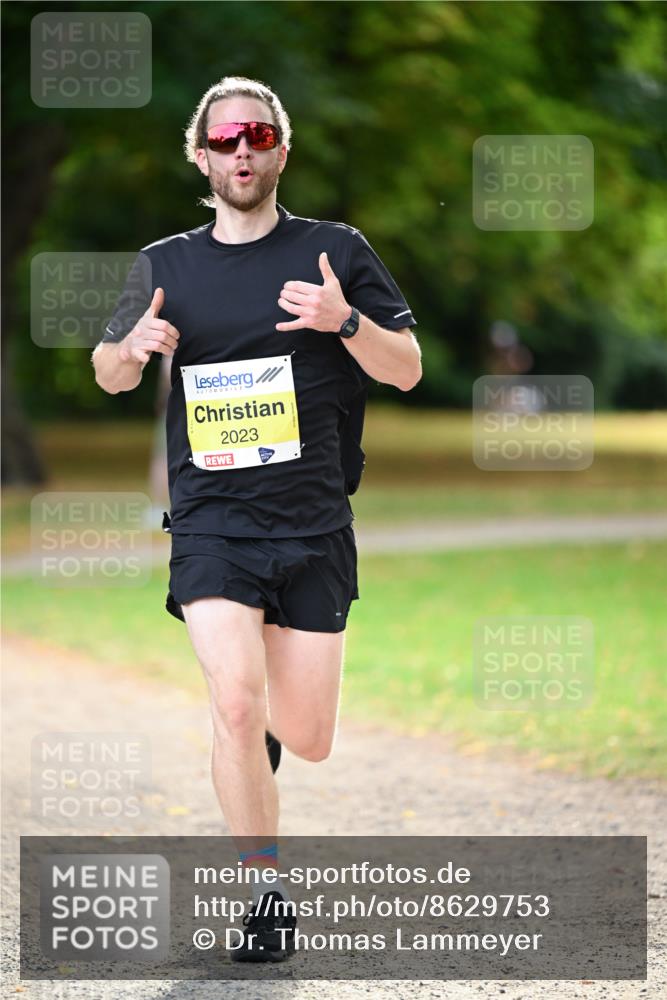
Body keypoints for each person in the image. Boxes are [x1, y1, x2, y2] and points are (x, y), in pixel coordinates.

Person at [92, 75, 421, 963]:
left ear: (281, 150)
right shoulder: (166, 263)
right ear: (200, 155)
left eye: (259, 137)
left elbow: (406, 370)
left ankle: (261, 750)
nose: (243, 151)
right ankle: (264, 892)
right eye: (226, 138)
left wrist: (342, 318)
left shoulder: (335, 250)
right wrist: (133, 347)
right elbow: (108, 371)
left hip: (313, 521)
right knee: (235, 702)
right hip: (210, 521)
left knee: (303, 737)